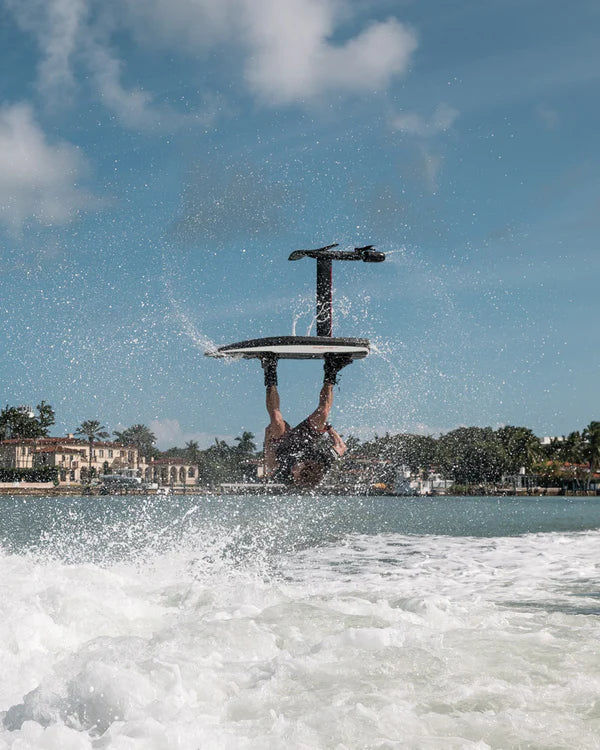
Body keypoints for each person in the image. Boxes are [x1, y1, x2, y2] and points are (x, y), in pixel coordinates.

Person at [261, 353, 351, 489]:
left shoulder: (285, 475)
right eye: (298, 470)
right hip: (306, 438)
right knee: (323, 412)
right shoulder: (323, 461)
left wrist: (267, 439)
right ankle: (331, 369)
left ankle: (270, 368)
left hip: (283, 443)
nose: (293, 470)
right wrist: (328, 428)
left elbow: (270, 463)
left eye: (294, 474)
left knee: (276, 418)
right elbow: (341, 446)